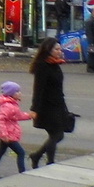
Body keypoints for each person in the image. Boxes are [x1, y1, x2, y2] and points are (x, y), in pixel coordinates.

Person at [29, 37, 69, 168]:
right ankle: (49, 162)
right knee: (56, 134)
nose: (59, 51)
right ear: (48, 50)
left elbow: (58, 89)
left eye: (60, 48)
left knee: (57, 135)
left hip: (58, 105)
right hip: (47, 107)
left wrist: (65, 108)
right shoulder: (43, 66)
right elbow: (38, 89)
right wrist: (34, 109)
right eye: (56, 49)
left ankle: (37, 156)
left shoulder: (55, 63)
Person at [0, 81, 36, 179]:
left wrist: (29, 116)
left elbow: (16, 116)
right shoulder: (7, 106)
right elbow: (0, 119)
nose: (20, 93)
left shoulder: (12, 104)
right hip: (9, 134)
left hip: (9, 132)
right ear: (11, 93)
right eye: (17, 92)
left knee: (1, 150)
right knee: (21, 152)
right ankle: (22, 172)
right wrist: (4, 134)